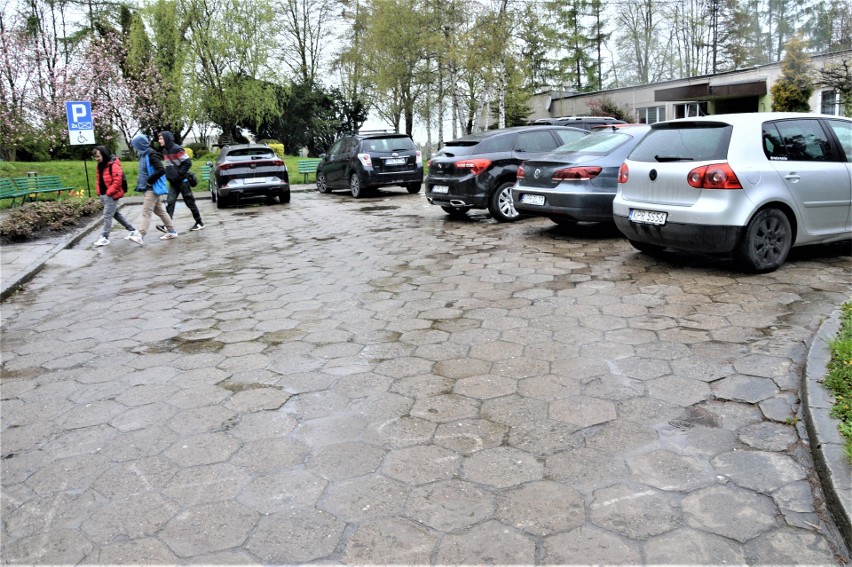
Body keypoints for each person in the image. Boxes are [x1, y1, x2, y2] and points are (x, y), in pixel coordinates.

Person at [127, 133, 178, 244]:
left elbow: (161, 170)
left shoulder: (151, 154)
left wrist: (149, 181)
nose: (135, 148)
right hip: (147, 188)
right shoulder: (143, 155)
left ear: (140, 145)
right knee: (161, 212)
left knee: (146, 212)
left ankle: (141, 235)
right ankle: (172, 231)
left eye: (136, 145)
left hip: (151, 189)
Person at [156, 130, 204, 233]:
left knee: (189, 202)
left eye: (161, 138)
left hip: (183, 182)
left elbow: (187, 162)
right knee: (170, 202)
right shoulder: (165, 150)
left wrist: (179, 174)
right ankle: (167, 226)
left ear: (167, 138)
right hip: (173, 183)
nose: (159, 140)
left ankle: (199, 222)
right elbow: (169, 166)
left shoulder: (177, 149)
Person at [92, 145, 137, 247]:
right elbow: (98, 179)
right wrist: (99, 192)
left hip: (111, 195)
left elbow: (117, 181)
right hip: (103, 195)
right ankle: (132, 230)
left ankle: (105, 237)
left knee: (107, 215)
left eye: (98, 156)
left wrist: (109, 193)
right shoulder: (99, 165)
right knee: (115, 214)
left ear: (104, 154)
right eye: (95, 157)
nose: (97, 159)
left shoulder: (113, 165)